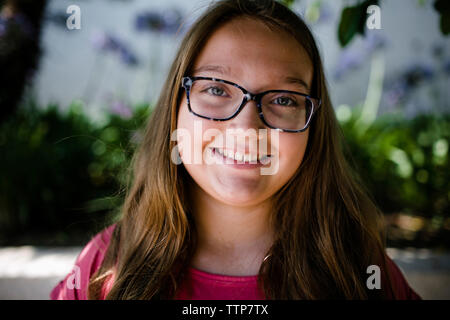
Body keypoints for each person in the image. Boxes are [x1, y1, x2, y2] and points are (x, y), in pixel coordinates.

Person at [51, 0, 421, 300]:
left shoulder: (357, 271)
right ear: (175, 109)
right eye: (216, 89)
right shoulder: (107, 266)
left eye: (283, 99)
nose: (246, 129)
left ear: (313, 126)